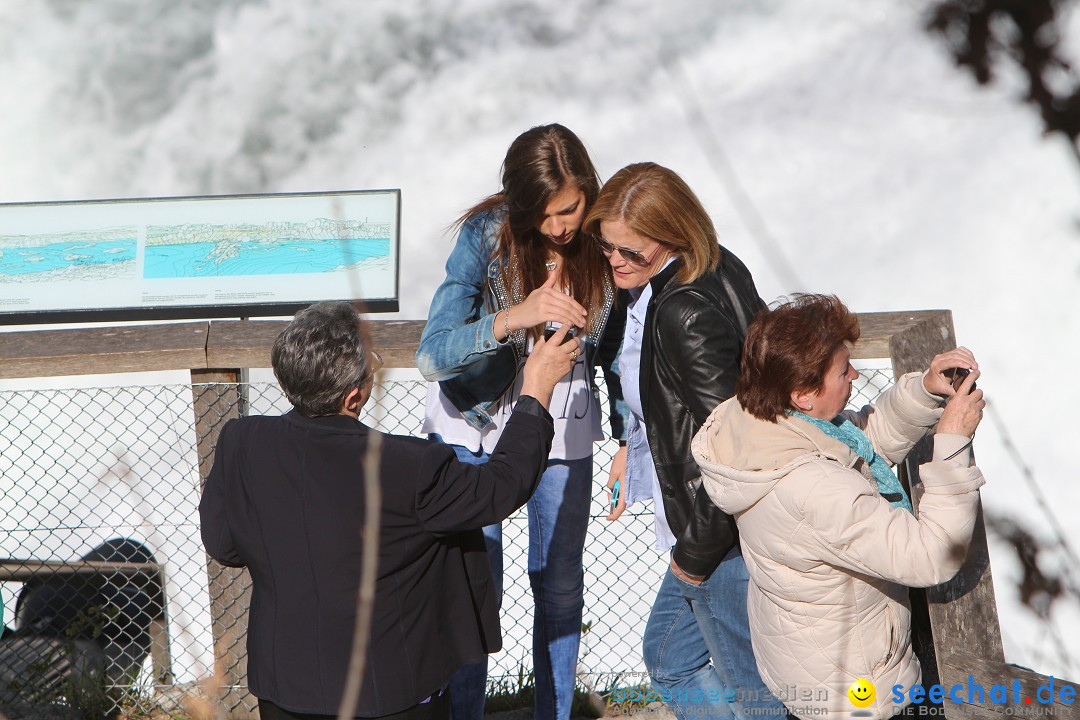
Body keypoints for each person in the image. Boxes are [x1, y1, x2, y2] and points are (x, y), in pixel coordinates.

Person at [199, 301, 580, 720]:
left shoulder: (242, 441)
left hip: (283, 687)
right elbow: (502, 486)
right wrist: (537, 388)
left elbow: (225, 546)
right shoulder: (408, 466)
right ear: (354, 394)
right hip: (393, 692)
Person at [690, 294, 986, 719]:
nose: (855, 374)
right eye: (843, 369)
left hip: (818, 670)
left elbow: (862, 447)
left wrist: (923, 392)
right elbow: (931, 556)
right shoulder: (812, 487)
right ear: (804, 394)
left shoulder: (763, 423)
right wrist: (953, 444)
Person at [415, 124, 625, 720]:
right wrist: (513, 317)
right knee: (475, 588)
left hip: (565, 419)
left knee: (558, 585)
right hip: (475, 425)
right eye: (546, 212)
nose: (560, 225)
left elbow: (620, 347)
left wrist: (630, 435)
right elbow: (432, 355)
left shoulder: (605, 239)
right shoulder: (488, 235)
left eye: (572, 207)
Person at [583, 162, 788, 720]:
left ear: (672, 234)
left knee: (754, 694)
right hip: (727, 528)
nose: (617, 263)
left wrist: (695, 555)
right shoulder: (718, 266)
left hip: (722, 534)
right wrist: (633, 441)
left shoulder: (680, 310)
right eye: (608, 249)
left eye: (632, 252)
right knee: (670, 654)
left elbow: (737, 445)